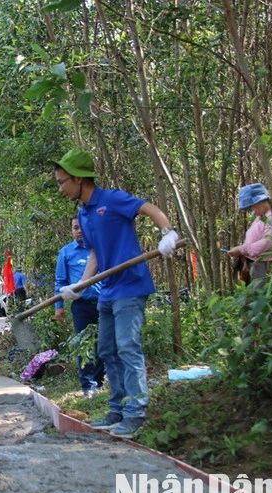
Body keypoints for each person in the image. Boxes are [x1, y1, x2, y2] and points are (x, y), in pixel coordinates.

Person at [53, 148, 179, 438]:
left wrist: (167, 232)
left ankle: (136, 411)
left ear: (79, 179)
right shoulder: (84, 214)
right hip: (107, 290)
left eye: (63, 182)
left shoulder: (110, 200)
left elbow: (148, 208)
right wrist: (80, 285)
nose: (61, 188)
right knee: (107, 349)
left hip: (130, 286)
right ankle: (117, 408)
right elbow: (96, 252)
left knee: (127, 346)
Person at [54, 216, 105, 398]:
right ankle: (88, 385)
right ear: (71, 230)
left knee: (103, 344)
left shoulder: (99, 249)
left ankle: (100, 382)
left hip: (103, 304)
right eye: (75, 227)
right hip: (81, 306)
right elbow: (60, 281)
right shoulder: (66, 253)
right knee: (84, 345)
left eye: (81, 227)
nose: (79, 231)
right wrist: (58, 307)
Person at [228, 183, 272, 281]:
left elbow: (268, 242)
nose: (252, 211)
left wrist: (241, 249)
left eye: (252, 207)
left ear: (260, 202)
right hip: (258, 266)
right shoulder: (262, 217)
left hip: (269, 266)